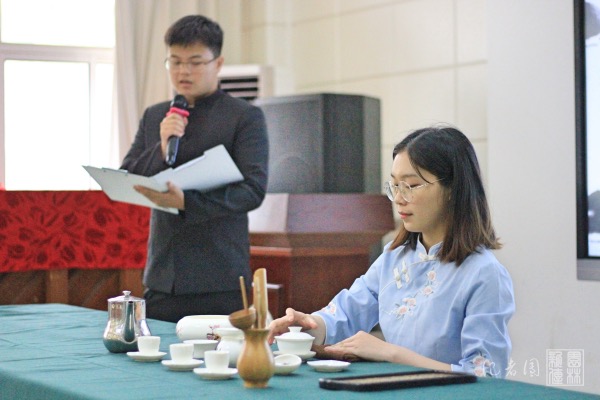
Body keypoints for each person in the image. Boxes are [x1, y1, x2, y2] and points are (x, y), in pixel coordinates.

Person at [268, 125, 515, 378]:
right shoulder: (395, 258)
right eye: (395, 186)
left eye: (411, 185)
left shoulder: (484, 274)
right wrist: (307, 326)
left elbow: (486, 375)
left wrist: (391, 354)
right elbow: (348, 312)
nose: (398, 198)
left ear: (453, 189)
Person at [120, 15, 269, 323]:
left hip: (220, 275)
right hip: (164, 276)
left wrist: (187, 202)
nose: (183, 71)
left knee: (222, 353)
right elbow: (129, 174)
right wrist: (162, 148)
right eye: (174, 61)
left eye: (195, 62)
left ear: (218, 63)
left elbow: (252, 191)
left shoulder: (244, 117)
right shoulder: (155, 116)